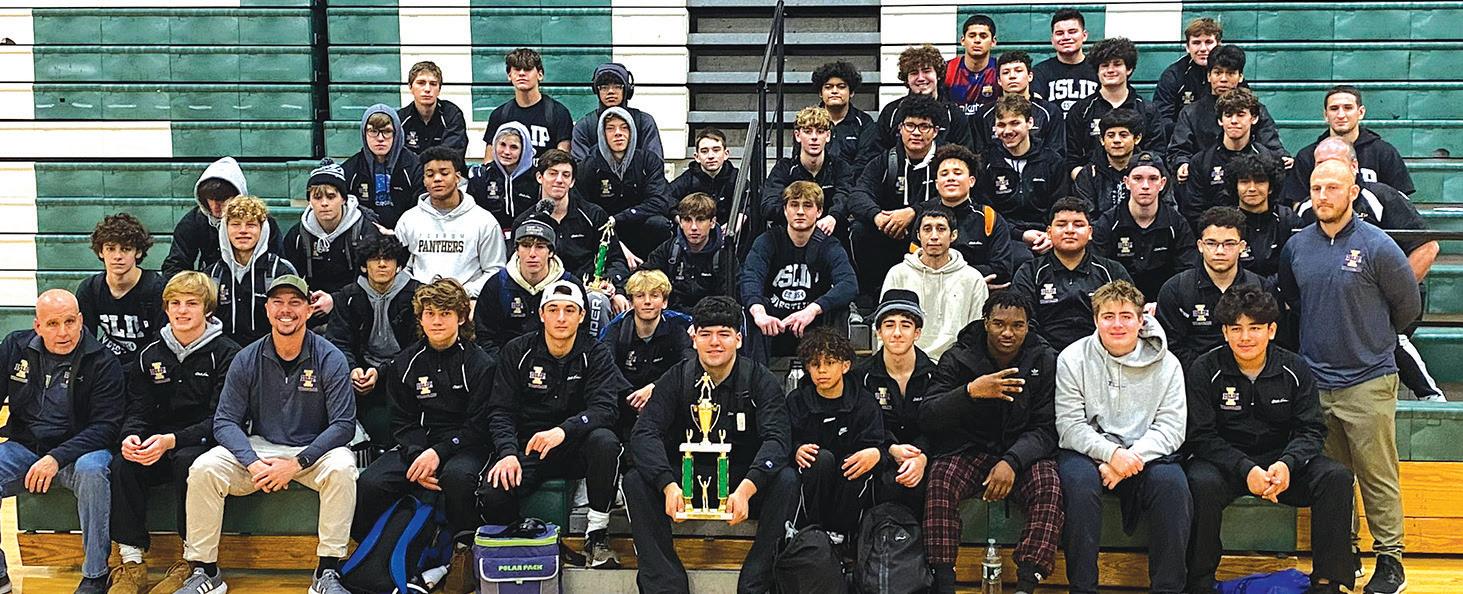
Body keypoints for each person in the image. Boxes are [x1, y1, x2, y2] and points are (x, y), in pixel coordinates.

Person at [1279, 159, 1422, 594]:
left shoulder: (1379, 246)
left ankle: (1391, 561)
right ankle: (1346, 554)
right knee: (1333, 479)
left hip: (1368, 380)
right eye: (1316, 188)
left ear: (1353, 192)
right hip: (1316, 383)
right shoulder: (1296, 247)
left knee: (1377, 476)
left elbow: (1408, 308)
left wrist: (1371, 341)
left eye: (1333, 188)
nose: (1323, 196)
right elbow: (1293, 303)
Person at [176, 275, 357, 594]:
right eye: (278, 302)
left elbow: (343, 425)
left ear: (308, 310)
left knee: (343, 467)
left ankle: (327, 571)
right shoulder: (247, 358)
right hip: (260, 449)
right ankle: (205, 570)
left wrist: (296, 464)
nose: (286, 310)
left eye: (295, 302)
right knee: (204, 468)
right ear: (267, 309)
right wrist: (252, 462)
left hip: (312, 452)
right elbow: (225, 421)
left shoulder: (330, 357)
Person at [1184, 285, 1354, 594]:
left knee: (1336, 477)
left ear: (1271, 330)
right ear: (1224, 332)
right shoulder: (1204, 369)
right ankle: (1199, 584)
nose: (1245, 337)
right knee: (1199, 482)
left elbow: (1311, 429)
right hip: (1225, 464)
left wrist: (1287, 464)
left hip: (1280, 464)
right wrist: (1245, 469)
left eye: (1255, 328)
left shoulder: (1295, 368)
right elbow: (1201, 436)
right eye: (1236, 328)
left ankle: (1327, 583)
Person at [623, 296, 797, 594]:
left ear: (738, 339)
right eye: (705, 334)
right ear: (693, 338)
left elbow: (777, 439)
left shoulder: (760, 379)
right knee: (636, 480)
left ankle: (758, 582)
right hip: (687, 479)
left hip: (742, 480)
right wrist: (667, 485)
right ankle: (665, 585)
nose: (714, 342)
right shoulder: (676, 377)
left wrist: (747, 488)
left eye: (724, 334)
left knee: (787, 480)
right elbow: (645, 433)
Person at [107, 273, 241, 594]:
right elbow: (138, 409)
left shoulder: (228, 354)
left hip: (205, 443)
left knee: (188, 463)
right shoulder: (150, 354)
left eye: (191, 303)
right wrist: (131, 436)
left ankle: (191, 562)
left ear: (207, 309)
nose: (182, 310)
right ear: (165, 309)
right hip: (158, 442)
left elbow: (222, 419)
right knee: (123, 464)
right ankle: (131, 562)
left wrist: (173, 441)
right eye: (175, 303)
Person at [482, 280, 630, 568]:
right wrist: (507, 453)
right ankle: (527, 542)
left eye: (569, 310)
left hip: (577, 445)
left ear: (582, 315)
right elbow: (500, 411)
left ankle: (597, 534)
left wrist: (563, 431)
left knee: (606, 441)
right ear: (541, 314)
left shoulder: (595, 352)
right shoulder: (517, 351)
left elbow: (605, 409)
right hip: (530, 447)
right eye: (553, 309)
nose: (561, 318)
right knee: (492, 491)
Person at [921, 291, 1061, 594]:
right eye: (999, 323)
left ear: (1028, 326)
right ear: (985, 322)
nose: (1007, 332)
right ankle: (943, 582)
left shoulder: (1045, 358)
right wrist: (969, 391)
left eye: (1017, 325)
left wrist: (1012, 461)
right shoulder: (957, 356)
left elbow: (1047, 428)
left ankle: (1027, 583)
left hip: (1022, 451)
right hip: (970, 448)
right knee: (941, 478)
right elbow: (928, 415)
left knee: (1048, 484)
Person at [1056, 279, 1189, 594]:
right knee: (1078, 484)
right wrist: (1111, 455)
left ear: (1141, 320)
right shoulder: (1071, 359)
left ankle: (1168, 589)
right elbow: (1070, 425)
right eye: (1108, 316)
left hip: (1146, 452)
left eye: (1126, 316)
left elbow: (1172, 428)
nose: (1117, 324)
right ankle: (1083, 588)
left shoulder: (1169, 364)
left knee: (1173, 486)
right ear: (1095, 320)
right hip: (1090, 451)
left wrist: (1130, 459)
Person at [1296, 138, 1443, 403]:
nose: (1327, 170)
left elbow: (1428, 247)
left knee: (1386, 335)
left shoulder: (1382, 196)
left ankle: (1430, 396)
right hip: (1336, 300)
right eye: (1320, 164)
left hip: (1389, 296)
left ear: (1353, 167)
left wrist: (1382, 298)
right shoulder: (1308, 209)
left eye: (1335, 162)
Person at [0, 290, 124, 594]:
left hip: (81, 451)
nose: (63, 332)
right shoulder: (15, 346)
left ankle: (95, 574)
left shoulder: (103, 361)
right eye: (53, 324)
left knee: (93, 472)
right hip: (26, 447)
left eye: (70, 321)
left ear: (81, 320)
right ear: (37, 326)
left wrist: (56, 458)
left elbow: (106, 427)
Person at [352, 278, 491, 544]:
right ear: (420, 318)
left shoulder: (480, 363)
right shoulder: (404, 363)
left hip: (465, 446)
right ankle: (370, 553)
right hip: (418, 445)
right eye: (430, 313)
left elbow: (478, 425)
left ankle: (463, 549)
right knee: (369, 484)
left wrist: (439, 453)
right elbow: (402, 421)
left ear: (461, 318)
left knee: (457, 478)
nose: (437, 321)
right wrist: (418, 455)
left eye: (445, 313)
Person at [740, 181, 858, 360]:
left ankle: (831, 371)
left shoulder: (829, 245)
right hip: (773, 324)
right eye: (794, 205)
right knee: (751, 312)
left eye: (808, 205)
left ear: (819, 212)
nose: (800, 211)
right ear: (785, 210)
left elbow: (849, 284)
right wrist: (759, 312)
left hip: (812, 326)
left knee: (839, 310)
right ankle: (756, 375)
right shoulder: (768, 241)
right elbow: (750, 277)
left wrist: (812, 310)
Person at [324, 234, 421, 449]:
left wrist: (381, 372)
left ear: (398, 265)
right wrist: (352, 369)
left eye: (388, 258)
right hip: (361, 371)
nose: (382, 264)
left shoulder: (417, 294)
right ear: (363, 266)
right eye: (375, 259)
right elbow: (337, 341)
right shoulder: (348, 296)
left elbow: (417, 347)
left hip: (404, 372)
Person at [787, 328, 885, 537]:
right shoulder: (796, 400)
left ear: (845, 366)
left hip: (848, 482)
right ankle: (810, 532)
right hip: (814, 477)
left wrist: (874, 453)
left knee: (855, 463)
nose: (822, 370)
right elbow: (784, 439)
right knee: (819, 459)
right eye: (815, 364)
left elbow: (877, 442)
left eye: (830, 363)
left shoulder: (864, 402)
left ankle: (843, 535)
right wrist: (796, 450)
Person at [850, 94, 945, 297]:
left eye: (924, 126)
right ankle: (872, 297)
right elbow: (858, 195)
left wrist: (913, 212)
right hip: (890, 234)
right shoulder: (885, 161)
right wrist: (878, 216)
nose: (916, 132)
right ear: (900, 128)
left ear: (935, 131)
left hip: (932, 234)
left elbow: (955, 199)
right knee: (859, 229)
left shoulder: (946, 162)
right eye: (910, 125)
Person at [1011, 197, 1133, 351]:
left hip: (1101, 352)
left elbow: (1126, 318)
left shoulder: (1112, 271)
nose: (1070, 230)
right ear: (1049, 232)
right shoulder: (1030, 272)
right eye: (1061, 225)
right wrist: (1049, 356)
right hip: (1044, 355)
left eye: (1078, 225)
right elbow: (1023, 323)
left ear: (1090, 232)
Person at [850, 290, 935, 512]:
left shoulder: (935, 375)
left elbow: (940, 426)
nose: (897, 333)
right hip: (878, 454)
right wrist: (889, 449)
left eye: (905, 325)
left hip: (923, 457)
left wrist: (922, 457)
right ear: (878, 331)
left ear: (917, 333)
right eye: (889, 325)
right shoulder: (861, 376)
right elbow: (858, 427)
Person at [513, 149, 630, 301]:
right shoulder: (524, 222)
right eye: (553, 173)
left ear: (573, 181)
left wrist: (614, 286)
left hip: (587, 293)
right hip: (541, 295)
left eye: (566, 175)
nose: (559, 180)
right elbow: (515, 265)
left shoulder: (594, 215)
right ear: (540, 177)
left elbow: (616, 260)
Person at [1156, 207, 1266, 367]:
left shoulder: (1262, 289)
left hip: (1249, 372)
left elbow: (1273, 341)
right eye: (1211, 243)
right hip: (1192, 374)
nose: (1220, 251)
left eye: (1229, 243)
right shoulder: (1175, 290)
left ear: (1242, 246)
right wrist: (1205, 372)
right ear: (1200, 246)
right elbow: (1170, 345)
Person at [394, 146, 506, 299]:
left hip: (466, 303)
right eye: (430, 174)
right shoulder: (408, 220)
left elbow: (494, 270)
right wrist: (421, 292)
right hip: (420, 303)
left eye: (444, 173)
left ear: (457, 178)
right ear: (424, 180)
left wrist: (462, 293)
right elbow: (400, 268)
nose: (437, 179)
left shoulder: (484, 221)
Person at [1168, 45, 1288, 184]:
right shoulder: (1190, 113)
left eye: (1230, 73)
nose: (1223, 79)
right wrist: (1182, 164)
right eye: (1218, 73)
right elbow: (1179, 150)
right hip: (1205, 181)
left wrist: (1282, 157)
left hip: (1249, 179)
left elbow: (1271, 145)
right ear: (1209, 76)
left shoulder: (1256, 109)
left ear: (1240, 77)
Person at [881, 206, 988, 360]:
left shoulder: (973, 279)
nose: (934, 236)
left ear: (953, 235)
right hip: (908, 363)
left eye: (941, 229)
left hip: (955, 364)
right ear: (918, 235)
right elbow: (884, 326)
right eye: (927, 229)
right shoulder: (898, 274)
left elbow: (976, 334)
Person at [597, 270, 692, 439]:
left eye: (654, 296)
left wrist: (656, 388)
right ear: (631, 302)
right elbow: (606, 367)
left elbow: (688, 364)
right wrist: (633, 397)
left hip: (666, 405)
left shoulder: (678, 328)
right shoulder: (615, 330)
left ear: (664, 302)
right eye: (640, 296)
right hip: (624, 406)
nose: (647, 301)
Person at [474, 216, 580, 366]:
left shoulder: (570, 285)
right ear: (516, 250)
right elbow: (485, 336)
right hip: (506, 365)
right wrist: (503, 367)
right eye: (525, 246)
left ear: (551, 252)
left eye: (540, 247)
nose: (532, 254)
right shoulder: (497, 284)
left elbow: (581, 334)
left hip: (557, 364)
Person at [1093, 152, 1198, 300]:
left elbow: (1187, 272)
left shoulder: (1176, 224)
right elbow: (1098, 271)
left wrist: (1164, 303)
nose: (1145, 186)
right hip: (1119, 303)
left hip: (1165, 302)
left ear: (1162, 183)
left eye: (1153, 179)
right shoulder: (1108, 223)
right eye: (1138, 179)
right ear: (1126, 182)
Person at [1282, 85, 1415, 202]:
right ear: (1326, 115)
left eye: (1348, 108)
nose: (1341, 115)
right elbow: (1298, 205)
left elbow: (1401, 204)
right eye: (1334, 108)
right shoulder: (1307, 156)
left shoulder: (1384, 153)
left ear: (1360, 112)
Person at [578, 106, 676, 260]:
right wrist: (608, 227)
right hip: (604, 230)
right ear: (602, 134)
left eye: (624, 128)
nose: (618, 133)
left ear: (632, 132)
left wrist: (620, 218)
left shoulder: (648, 161)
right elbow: (583, 205)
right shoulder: (589, 165)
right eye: (611, 128)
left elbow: (659, 201)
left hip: (639, 226)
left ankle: (653, 266)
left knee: (659, 224)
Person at [856, 44, 974, 168]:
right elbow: (875, 155)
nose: (921, 78)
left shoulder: (953, 114)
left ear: (938, 74)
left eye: (926, 71)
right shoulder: (892, 112)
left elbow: (966, 158)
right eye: (914, 73)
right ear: (906, 79)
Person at [162, 157, 284, 278]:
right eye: (211, 199)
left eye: (222, 199)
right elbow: (174, 266)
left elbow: (278, 263)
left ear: (237, 195)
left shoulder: (263, 221)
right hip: (210, 283)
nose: (216, 206)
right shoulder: (193, 221)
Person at [915, 144, 1018, 284]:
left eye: (957, 173)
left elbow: (1002, 269)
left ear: (971, 181)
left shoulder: (989, 217)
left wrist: (960, 279)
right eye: (944, 174)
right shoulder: (924, 219)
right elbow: (915, 265)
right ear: (937, 184)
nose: (950, 178)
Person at [203, 195, 298, 346]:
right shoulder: (212, 275)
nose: (243, 231)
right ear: (225, 229)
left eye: (251, 225)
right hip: (224, 356)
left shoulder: (281, 271)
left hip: (269, 352)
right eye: (235, 224)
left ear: (262, 229)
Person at [1179, 88, 1283, 224]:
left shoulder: (1268, 160)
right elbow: (1193, 210)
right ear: (1220, 120)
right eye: (1228, 115)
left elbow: (1275, 205)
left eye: (1240, 115)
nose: (1234, 121)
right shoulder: (1201, 162)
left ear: (1254, 118)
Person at [980, 94, 1069, 252]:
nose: (1007, 131)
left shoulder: (1053, 161)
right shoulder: (986, 163)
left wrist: (1050, 235)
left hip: (1047, 237)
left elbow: (1061, 207)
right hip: (1003, 237)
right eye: (1001, 125)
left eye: (1015, 123)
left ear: (1030, 123)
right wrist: (1020, 234)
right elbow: (985, 212)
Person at [1064, 37, 1163, 177]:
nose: (1110, 70)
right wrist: (1086, 180)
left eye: (1117, 64)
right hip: (1092, 184)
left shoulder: (1147, 110)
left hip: (1137, 183)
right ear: (1097, 71)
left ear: (1129, 69)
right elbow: (1071, 158)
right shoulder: (1081, 110)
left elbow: (1157, 154)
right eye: (1104, 65)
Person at [283, 159, 385, 294]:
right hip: (313, 300)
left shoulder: (365, 230)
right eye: (317, 197)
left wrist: (336, 300)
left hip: (356, 299)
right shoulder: (297, 235)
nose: (324, 203)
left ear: (344, 199)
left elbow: (373, 280)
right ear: (309, 201)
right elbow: (290, 280)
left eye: (331, 197)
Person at [77, 213, 164, 368]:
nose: (117, 256)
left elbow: (161, 343)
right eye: (110, 249)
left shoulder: (157, 288)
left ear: (138, 252)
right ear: (101, 252)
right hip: (108, 368)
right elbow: (84, 341)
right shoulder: (89, 289)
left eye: (126, 249)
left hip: (145, 368)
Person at [761, 106, 852, 232]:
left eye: (820, 131)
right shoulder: (784, 168)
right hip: (790, 234)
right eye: (808, 131)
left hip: (829, 234)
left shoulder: (840, 167)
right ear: (797, 135)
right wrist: (802, 219)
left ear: (828, 136)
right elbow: (768, 205)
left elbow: (846, 196)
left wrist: (833, 216)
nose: (814, 137)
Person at [641, 193, 736, 312]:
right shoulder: (669, 249)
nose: (694, 227)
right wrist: (621, 292)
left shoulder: (725, 255)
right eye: (687, 220)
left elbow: (729, 301)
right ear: (680, 222)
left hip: (710, 318)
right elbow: (643, 275)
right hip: (673, 315)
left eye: (700, 220)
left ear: (712, 222)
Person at [481, 47, 573, 159]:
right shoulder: (499, 115)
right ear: (509, 75)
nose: (521, 74)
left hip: (545, 170)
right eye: (517, 69)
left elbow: (563, 161)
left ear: (540, 75)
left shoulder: (558, 113)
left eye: (527, 69)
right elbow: (489, 161)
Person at [343, 104, 422, 229]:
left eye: (387, 131)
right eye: (373, 131)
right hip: (364, 236)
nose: (380, 138)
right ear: (364, 133)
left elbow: (422, 210)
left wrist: (400, 233)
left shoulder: (415, 166)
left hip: (407, 234)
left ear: (397, 133)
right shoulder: (350, 169)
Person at [1227, 153, 1300, 284]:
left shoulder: (1288, 220)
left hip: (1280, 291)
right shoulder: (1224, 222)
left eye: (1260, 182)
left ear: (1271, 187)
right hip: (1236, 292)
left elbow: (1297, 264)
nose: (1252, 188)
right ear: (1236, 187)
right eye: (1244, 182)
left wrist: (1268, 286)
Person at [978, 51, 1065, 160]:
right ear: (999, 80)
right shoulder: (983, 115)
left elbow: (1056, 153)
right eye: (1006, 72)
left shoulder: (1050, 112)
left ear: (1030, 76)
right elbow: (979, 156)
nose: (1012, 76)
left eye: (1018, 71)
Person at [571, 62, 664, 161]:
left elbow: (656, 163)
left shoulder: (644, 122)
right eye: (604, 87)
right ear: (597, 90)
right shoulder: (584, 126)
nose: (610, 91)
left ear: (627, 89)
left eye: (617, 86)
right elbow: (579, 165)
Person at [1153, 18, 1223, 138]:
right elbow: (1163, 120)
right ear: (1187, 47)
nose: (1203, 49)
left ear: (1219, 45)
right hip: (1184, 142)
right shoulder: (1173, 75)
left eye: (1208, 42)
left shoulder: (1231, 74)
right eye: (1196, 43)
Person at [467, 121, 540, 231]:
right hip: (489, 234)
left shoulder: (537, 178)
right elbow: (472, 215)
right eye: (502, 145)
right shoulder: (481, 176)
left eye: (514, 147)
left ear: (524, 149)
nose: (506, 152)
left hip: (528, 235)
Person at [1072, 109, 1145, 215]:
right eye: (1110, 136)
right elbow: (1085, 216)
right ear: (1102, 140)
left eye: (1123, 135)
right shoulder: (1088, 174)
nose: (1116, 140)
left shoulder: (1150, 171)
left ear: (1137, 138)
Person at [1032, 8, 1098, 117]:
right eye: (1059, 33)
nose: (1066, 37)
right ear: (1052, 39)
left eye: (1072, 32)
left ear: (1084, 35)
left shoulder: (1098, 69)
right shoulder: (1040, 72)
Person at [667, 128, 739, 223]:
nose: (711, 156)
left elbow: (748, 205)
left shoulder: (737, 178)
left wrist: (735, 225)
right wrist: (682, 222)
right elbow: (667, 199)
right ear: (697, 157)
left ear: (726, 154)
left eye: (716, 150)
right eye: (704, 151)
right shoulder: (687, 179)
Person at [397, 60, 468, 155]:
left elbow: (452, 155)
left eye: (433, 84)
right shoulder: (400, 119)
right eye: (421, 83)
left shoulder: (452, 115)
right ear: (410, 87)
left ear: (439, 89)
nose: (427, 89)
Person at [814, 61, 875, 169]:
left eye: (841, 87)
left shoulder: (864, 122)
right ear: (820, 93)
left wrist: (844, 178)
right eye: (828, 87)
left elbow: (864, 162)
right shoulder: (808, 121)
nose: (834, 91)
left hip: (853, 179)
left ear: (851, 92)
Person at [945, 14, 1000, 114]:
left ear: (993, 42)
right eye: (972, 36)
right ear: (962, 41)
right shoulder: (948, 69)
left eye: (983, 36)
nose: (977, 40)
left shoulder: (1000, 70)